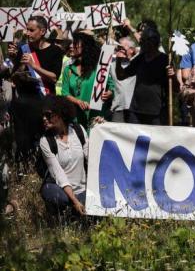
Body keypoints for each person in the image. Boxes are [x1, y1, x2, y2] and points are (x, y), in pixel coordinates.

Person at [7, 16, 64, 163]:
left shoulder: (55, 51)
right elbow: (14, 77)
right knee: (24, 143)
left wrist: (34, 66)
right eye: (27, 29)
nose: (27, 33)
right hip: (25, 104)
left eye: (31, 30)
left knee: (45, 141)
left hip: (44, 103)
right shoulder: (23, 49)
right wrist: (18, 64)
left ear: (43, 31)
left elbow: (53, 77)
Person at [38, 95, 88, 216]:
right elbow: (58, 173)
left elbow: (92, 158)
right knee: (61, 198)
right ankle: (61, 212)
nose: (44, 119)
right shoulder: (46, 141)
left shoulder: (79, 130)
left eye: (48, 115)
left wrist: (99, 127)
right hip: (60, 188)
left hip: (82, 189)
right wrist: (75, 200)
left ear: (60, 114)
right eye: (43, 116)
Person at [115, 27, 175, 125]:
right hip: (136, 111)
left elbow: (175, 88)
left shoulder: (165, 60)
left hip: (157, 113)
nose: (141, 43)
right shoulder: (140, 59)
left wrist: (173, 76)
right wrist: (118, 61)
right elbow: (121, 76)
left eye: (143, 40)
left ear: (153, 42)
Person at [60, 32, 114, 128]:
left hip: (96, 118)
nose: (71, 46)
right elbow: (65, 93)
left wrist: (109, 92)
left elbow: (111, 86)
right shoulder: (68, 69)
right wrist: (78, 102)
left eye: (75, 43)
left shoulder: (100, 68)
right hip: (76, 119)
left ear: (85, 47)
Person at [110, 36, 137, 123]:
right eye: (118, 48)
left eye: (122, 48)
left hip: (133, 108)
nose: (120, 50)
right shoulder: (112, 64)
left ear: (131, 50)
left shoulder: (136, 63)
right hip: (118, 106)